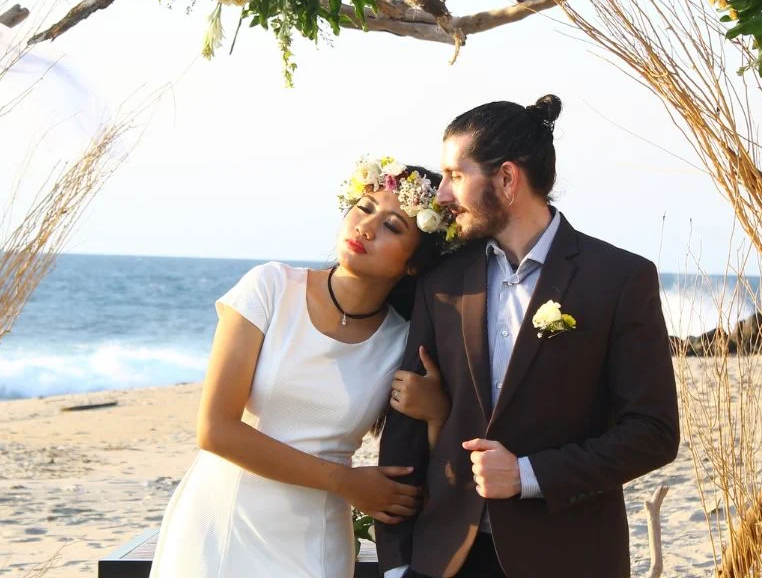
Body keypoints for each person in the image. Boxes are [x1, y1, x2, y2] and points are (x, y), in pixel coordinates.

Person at [377, 96, 681, 578]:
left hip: (568, 557)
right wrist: (398, 562)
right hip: (446, 558)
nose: (442, 196)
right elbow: (405, 436)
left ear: (506, 179)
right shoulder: (443, 281)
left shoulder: (620, 278)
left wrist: (527, 475)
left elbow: (654, 434)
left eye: (456, 175)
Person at [150, 157, 458, 578]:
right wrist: (346, 484)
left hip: (315, 544)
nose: (365, 228)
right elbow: (215, 430)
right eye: (364, 208)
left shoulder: (403, 343)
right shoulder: (271, 287)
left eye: (392, 226)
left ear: (414, 263)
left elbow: (435, 465)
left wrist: (437, 412)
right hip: (220, 525)